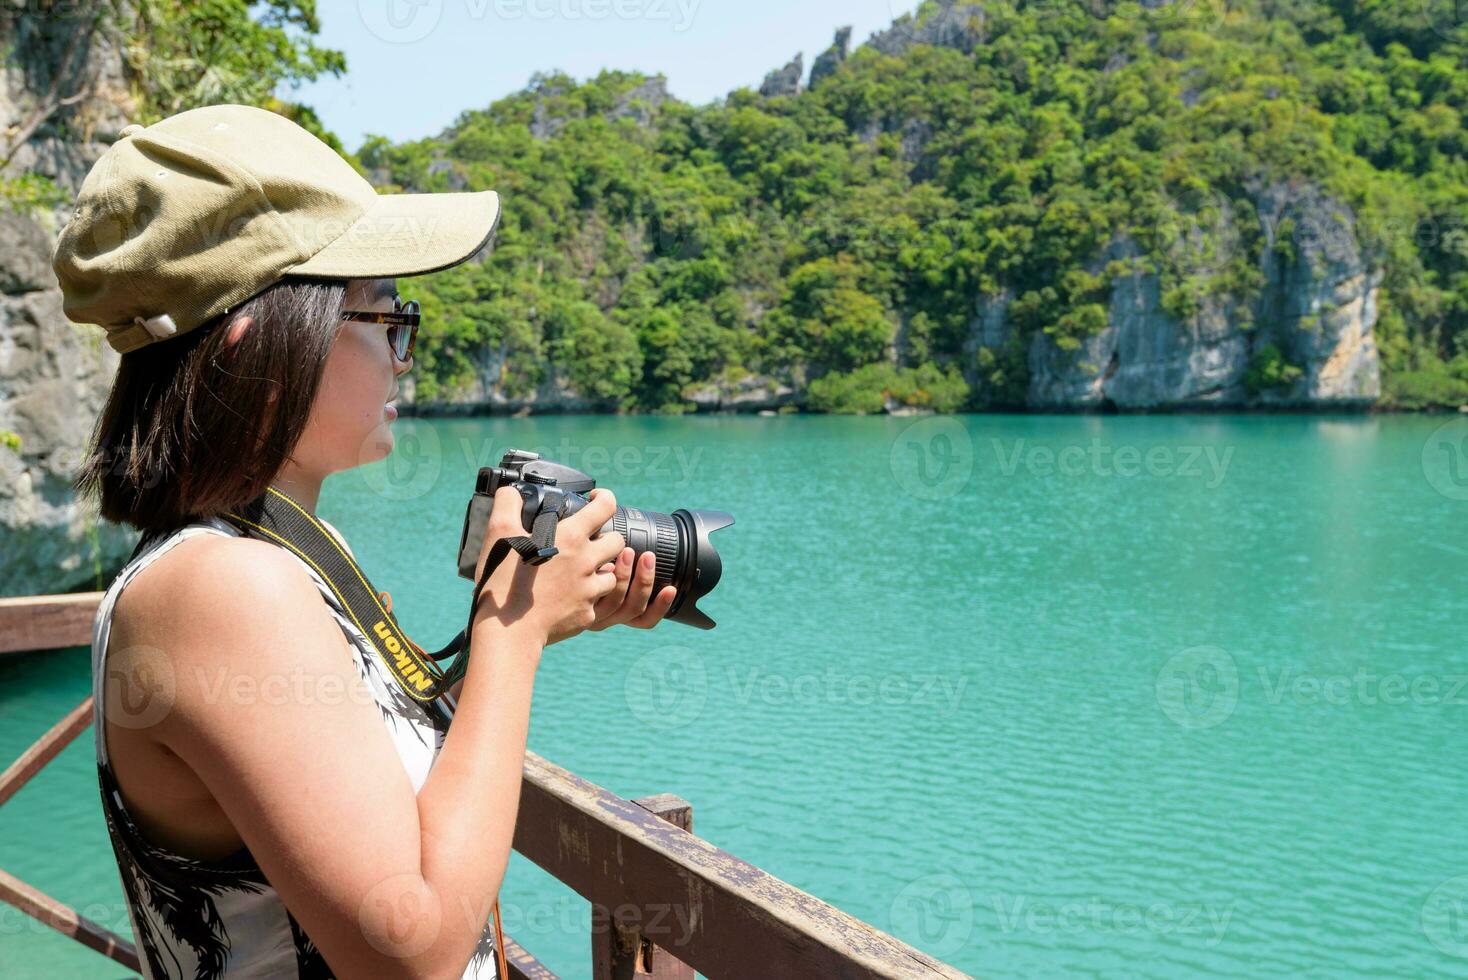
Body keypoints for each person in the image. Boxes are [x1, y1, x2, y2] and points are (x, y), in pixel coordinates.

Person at [52, 103, 676, 979]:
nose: (403, 358)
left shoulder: (259, 554)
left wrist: (528, 615)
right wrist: (510, 636)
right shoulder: (224, 589)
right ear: (255, 344)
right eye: (386, 319)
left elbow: (356, 781)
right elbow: (407, 950)